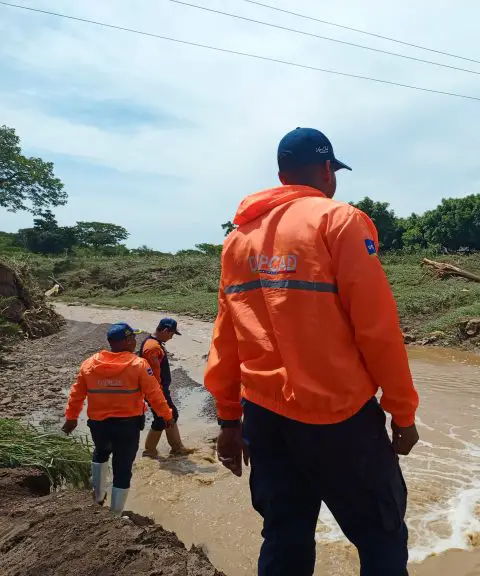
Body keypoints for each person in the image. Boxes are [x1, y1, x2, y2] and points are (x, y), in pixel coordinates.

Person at [204, 127, 420, 576]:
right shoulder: (339, 221)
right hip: (338, 415)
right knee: (381, 536)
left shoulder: (237, 239)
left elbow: (226, 338)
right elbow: (377, 331)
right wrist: (402, 413)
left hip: (265, 417)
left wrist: (229, 420)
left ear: (282, 174)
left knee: (284, 534)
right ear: (327, 170)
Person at [62, 322, 175, 515]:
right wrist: (167, 416)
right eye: (133, 338)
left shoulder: (90, 363)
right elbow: (154, 394)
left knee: (100, 453)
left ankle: (98, 497)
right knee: (122, 468)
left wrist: (71, 418)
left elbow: (76, 394)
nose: (136, 341)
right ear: (128, 341)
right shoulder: (138, 365)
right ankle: (114, 514)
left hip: (99, 425)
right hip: (127, 426)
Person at [139, 317, 193, 457]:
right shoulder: (152, 347)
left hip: (157, 390)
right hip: (155, 391)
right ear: (164, 330)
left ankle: (176, 447)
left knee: (170, 415)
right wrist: (159, 394)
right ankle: (150, 451)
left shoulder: (154, 343)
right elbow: (153, 376)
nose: (171, 337)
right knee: (162, 418)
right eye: (171, 334)